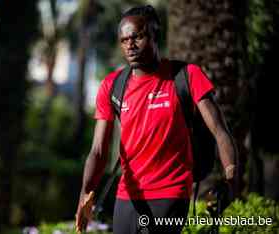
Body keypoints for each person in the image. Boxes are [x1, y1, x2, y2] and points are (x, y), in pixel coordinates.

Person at [75, 5, 238, 234]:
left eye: (137, 37)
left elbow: (220, 131)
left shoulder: (186, 76)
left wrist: (231, 178)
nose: (130, 45)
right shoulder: (112, 86)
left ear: (154, 34)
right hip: (128, 196)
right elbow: (98, 150)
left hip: (171, 192)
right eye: (124, 40)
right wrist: (85, 193)